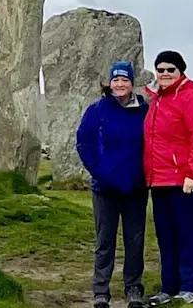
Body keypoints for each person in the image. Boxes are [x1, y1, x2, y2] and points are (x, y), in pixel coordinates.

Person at [76, 61, 149, 308]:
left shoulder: (143, 110)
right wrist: (101, 171)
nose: (120, 84)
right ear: (109, 83)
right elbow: (84, 144)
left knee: (135, 241)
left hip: (136, 186)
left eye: (125, 80)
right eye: (116, 80)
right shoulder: (97, 110)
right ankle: (101, 292)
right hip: (105, 186)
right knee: (104, 242)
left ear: (131, 83)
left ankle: (133, 289)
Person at [143, 50, 193, 305]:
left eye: (170, 69)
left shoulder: (191, 98)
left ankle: (192, 286)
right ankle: (168, 287)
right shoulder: (157, 101)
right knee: (165, 235)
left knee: (187, 232)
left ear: (181, 71)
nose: (164, 74)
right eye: (160, 70)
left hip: (184, 179)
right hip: (159, 178)